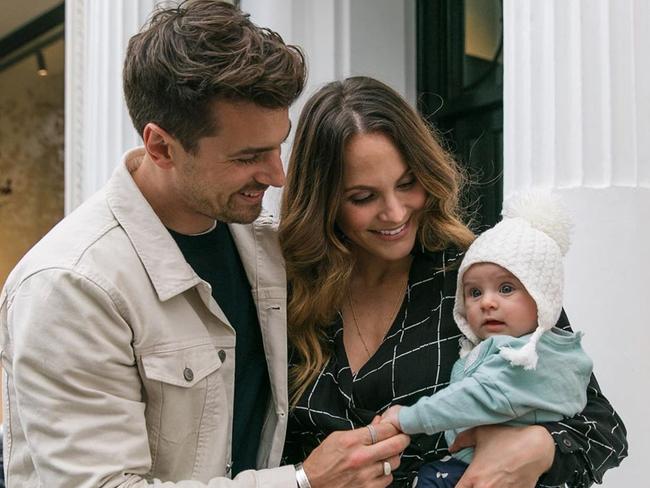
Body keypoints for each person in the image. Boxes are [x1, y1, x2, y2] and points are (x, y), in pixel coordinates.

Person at [0, 3, 408, 487]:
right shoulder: (70, 286)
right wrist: (302, 482)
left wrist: (520, 431)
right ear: (161, 147)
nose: (277, 175)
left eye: (278, 145)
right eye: (248, 157)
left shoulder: (267, 243)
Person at [280, 76, 628, 487]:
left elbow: (602, 431)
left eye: (407, 184)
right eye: (363, 197)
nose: (394, 213)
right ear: (323, 201)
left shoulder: (481, 277)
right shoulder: (281, 296)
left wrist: (538, 447)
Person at [380, 192, 594, 487]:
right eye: (474, 292)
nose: (487, 303)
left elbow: (472, 397)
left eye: (506, 288)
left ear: (542, 297)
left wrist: (407, 418)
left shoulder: (523, 358)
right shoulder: (553, 351)